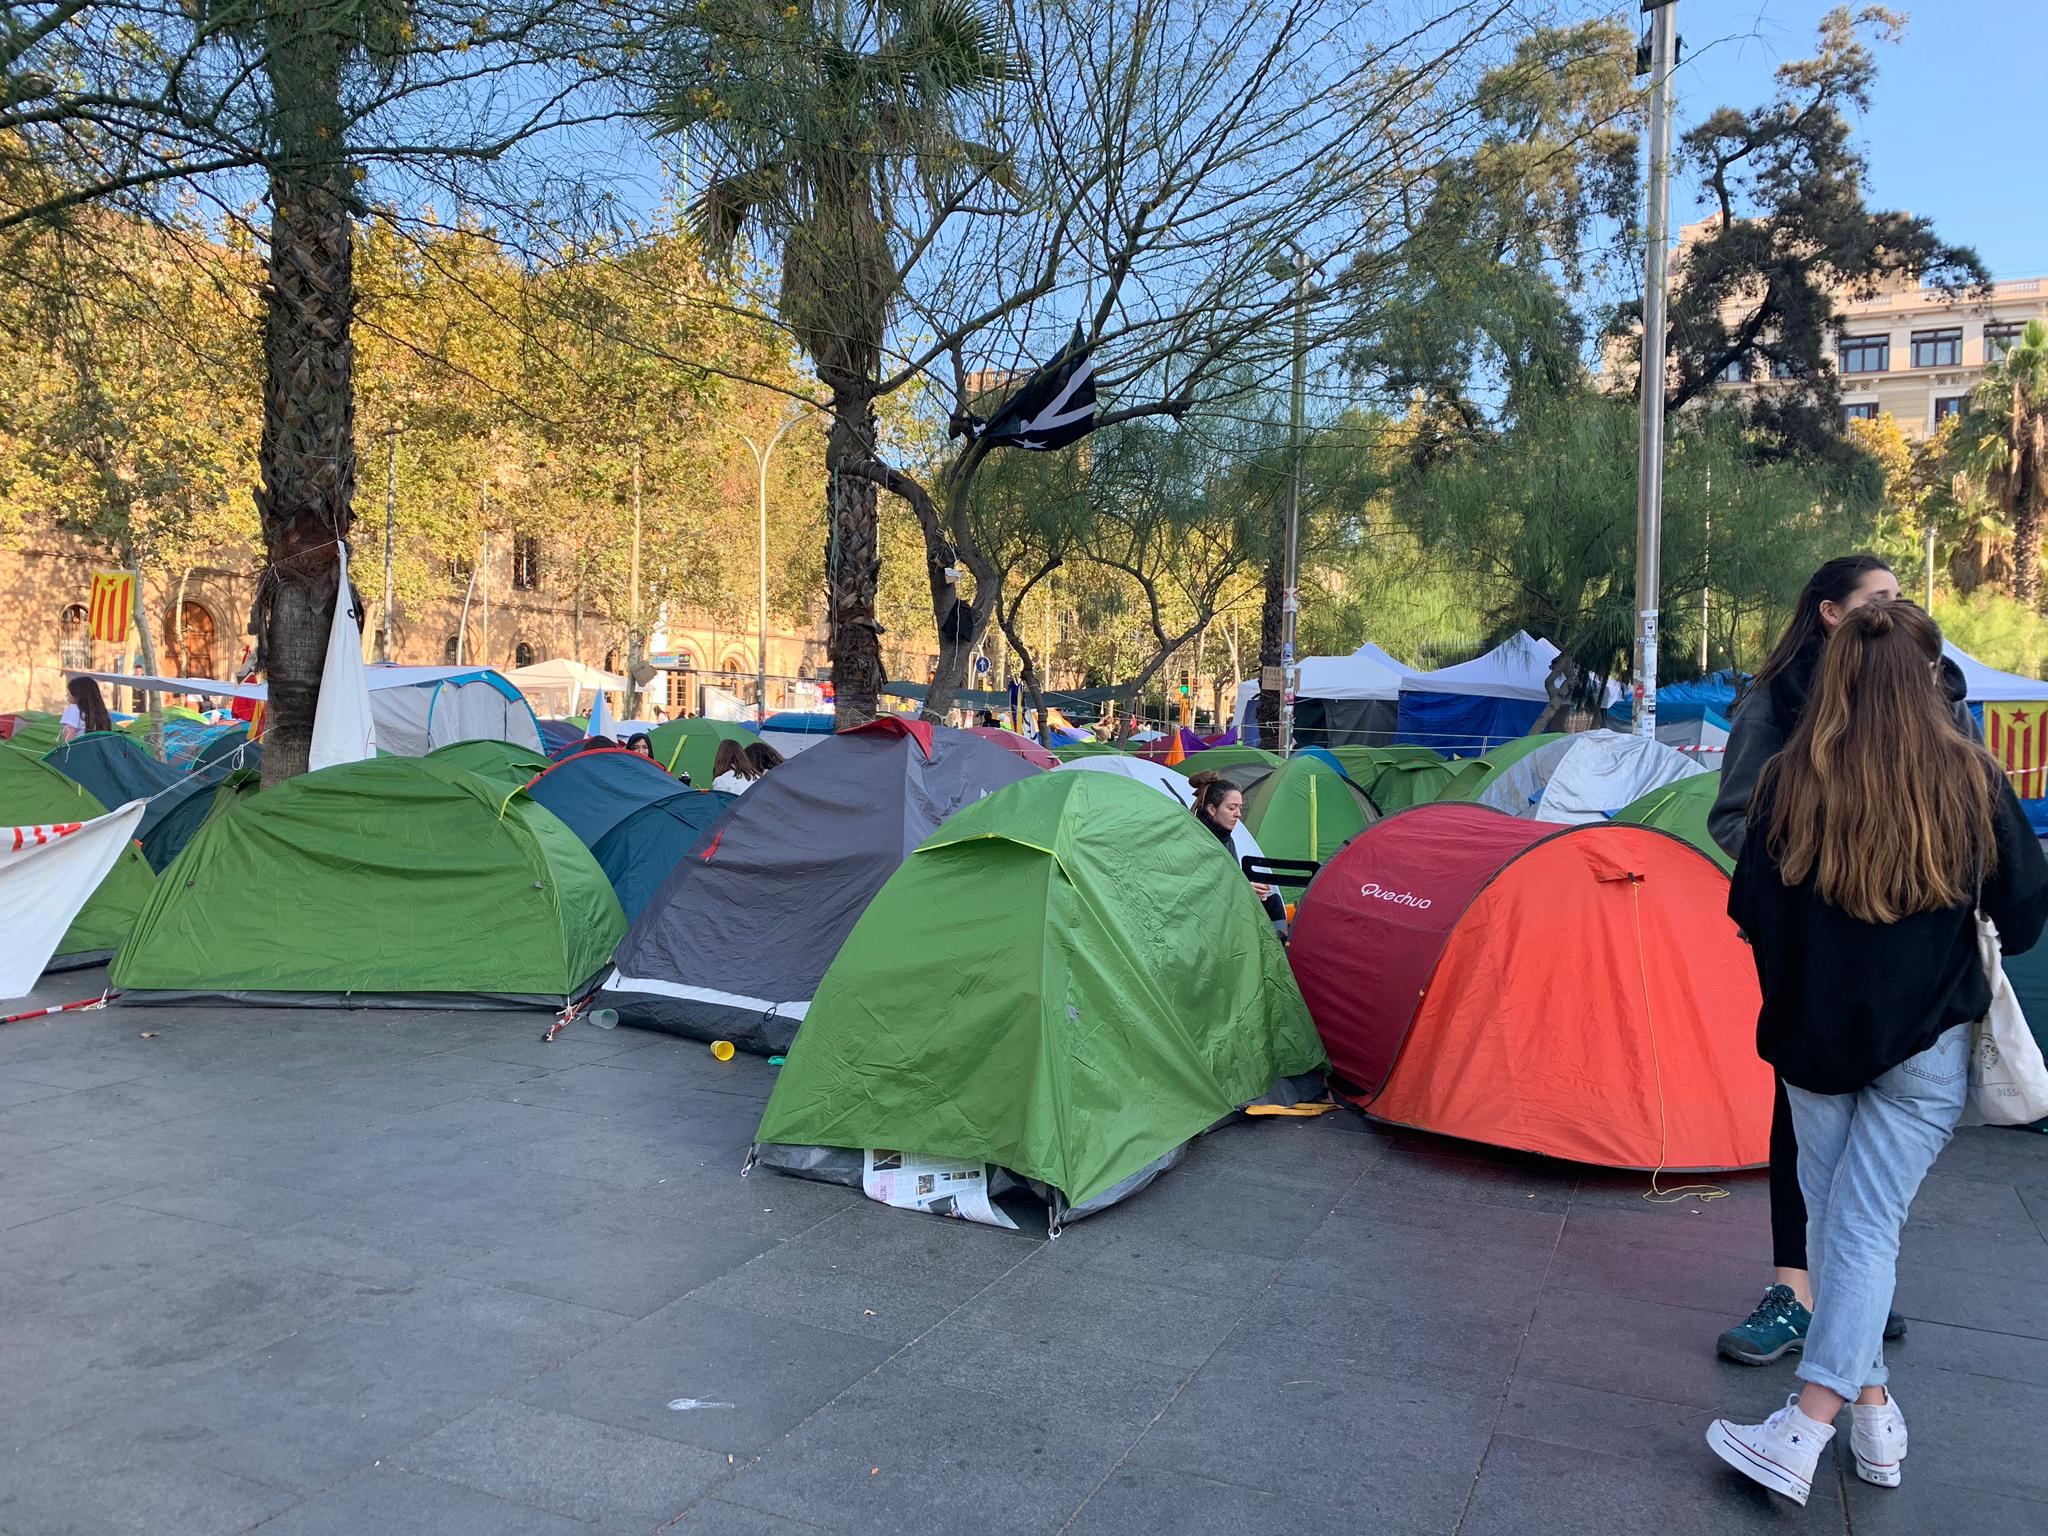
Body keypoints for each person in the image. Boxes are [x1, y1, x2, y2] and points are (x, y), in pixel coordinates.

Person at [1706, 601, 2047, 1504]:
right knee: (1852, 1227)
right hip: (1926, 1040)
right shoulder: (1972, 780)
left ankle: (1803, 1425)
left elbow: (1752, 913)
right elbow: (2023, 916)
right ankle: (1874, 1414)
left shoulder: (1788, 781)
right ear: (1932, 680)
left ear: (1836, 682)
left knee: (1844, 1226)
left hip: (1813, 1040)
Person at [1707, 555, 1977, 1367]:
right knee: (1807, 1115)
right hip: (1814, 956)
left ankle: (1853, 1285)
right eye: (1880, 599)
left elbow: (1977, 826)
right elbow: (1735, 820)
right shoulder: (1780, 699)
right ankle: (1798, 1288)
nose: (1897, 610)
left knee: (1881, 1134)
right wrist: (1803, 894)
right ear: (1831, 613)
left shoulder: (1942, 691)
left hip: (1914, 965)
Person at [1194, 779, 1287, 929]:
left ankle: (1277, 948)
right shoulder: (1198, 838)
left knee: (1272, 901)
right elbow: (1202, 886)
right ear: (1211, 809)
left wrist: (1252, 888)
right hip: (1206, 910)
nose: (1238, 815)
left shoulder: (1226, 838)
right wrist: (1244, 888)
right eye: (1232, 808)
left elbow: (1232, 877)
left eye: (1240, 808)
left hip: (1230, 900)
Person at [58, 676, 111, 742]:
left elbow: (67, 740)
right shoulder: (100, 712)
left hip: (79, 750)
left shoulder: (73, 709)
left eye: (69, 694)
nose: (67, 697)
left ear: (78, 695)